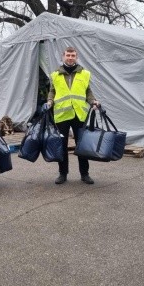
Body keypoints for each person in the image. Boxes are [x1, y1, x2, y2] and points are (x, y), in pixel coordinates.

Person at [46, 47, 100, 185]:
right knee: (61, 146)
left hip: (79, 114)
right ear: (63, 56)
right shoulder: (55, 75)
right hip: (62, 114)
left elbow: (88, 91)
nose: (70, 57)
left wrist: (93, 101)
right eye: (68, 55)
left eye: (73, 55)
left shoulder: (84, 73)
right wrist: (49, 101)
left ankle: (85, 174)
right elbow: (52, 91)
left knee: (82, 145)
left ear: (77, 57)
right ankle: (62, 174)